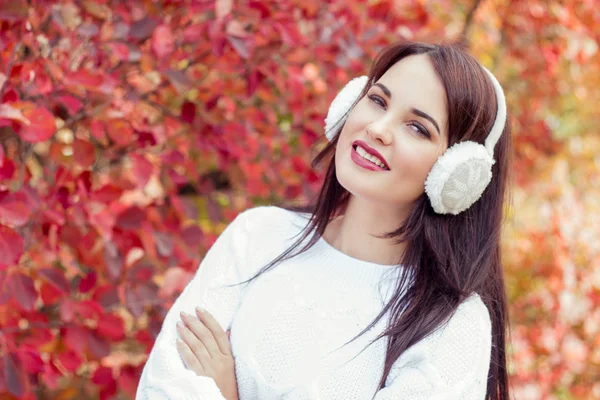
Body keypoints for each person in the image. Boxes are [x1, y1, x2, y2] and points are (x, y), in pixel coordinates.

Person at [136, 40, 512, 400]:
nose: (378, 129)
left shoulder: (452, 325)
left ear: (458, 173)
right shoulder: (258, 236)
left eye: (417, 127)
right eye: (378, 101)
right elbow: (162, 387)